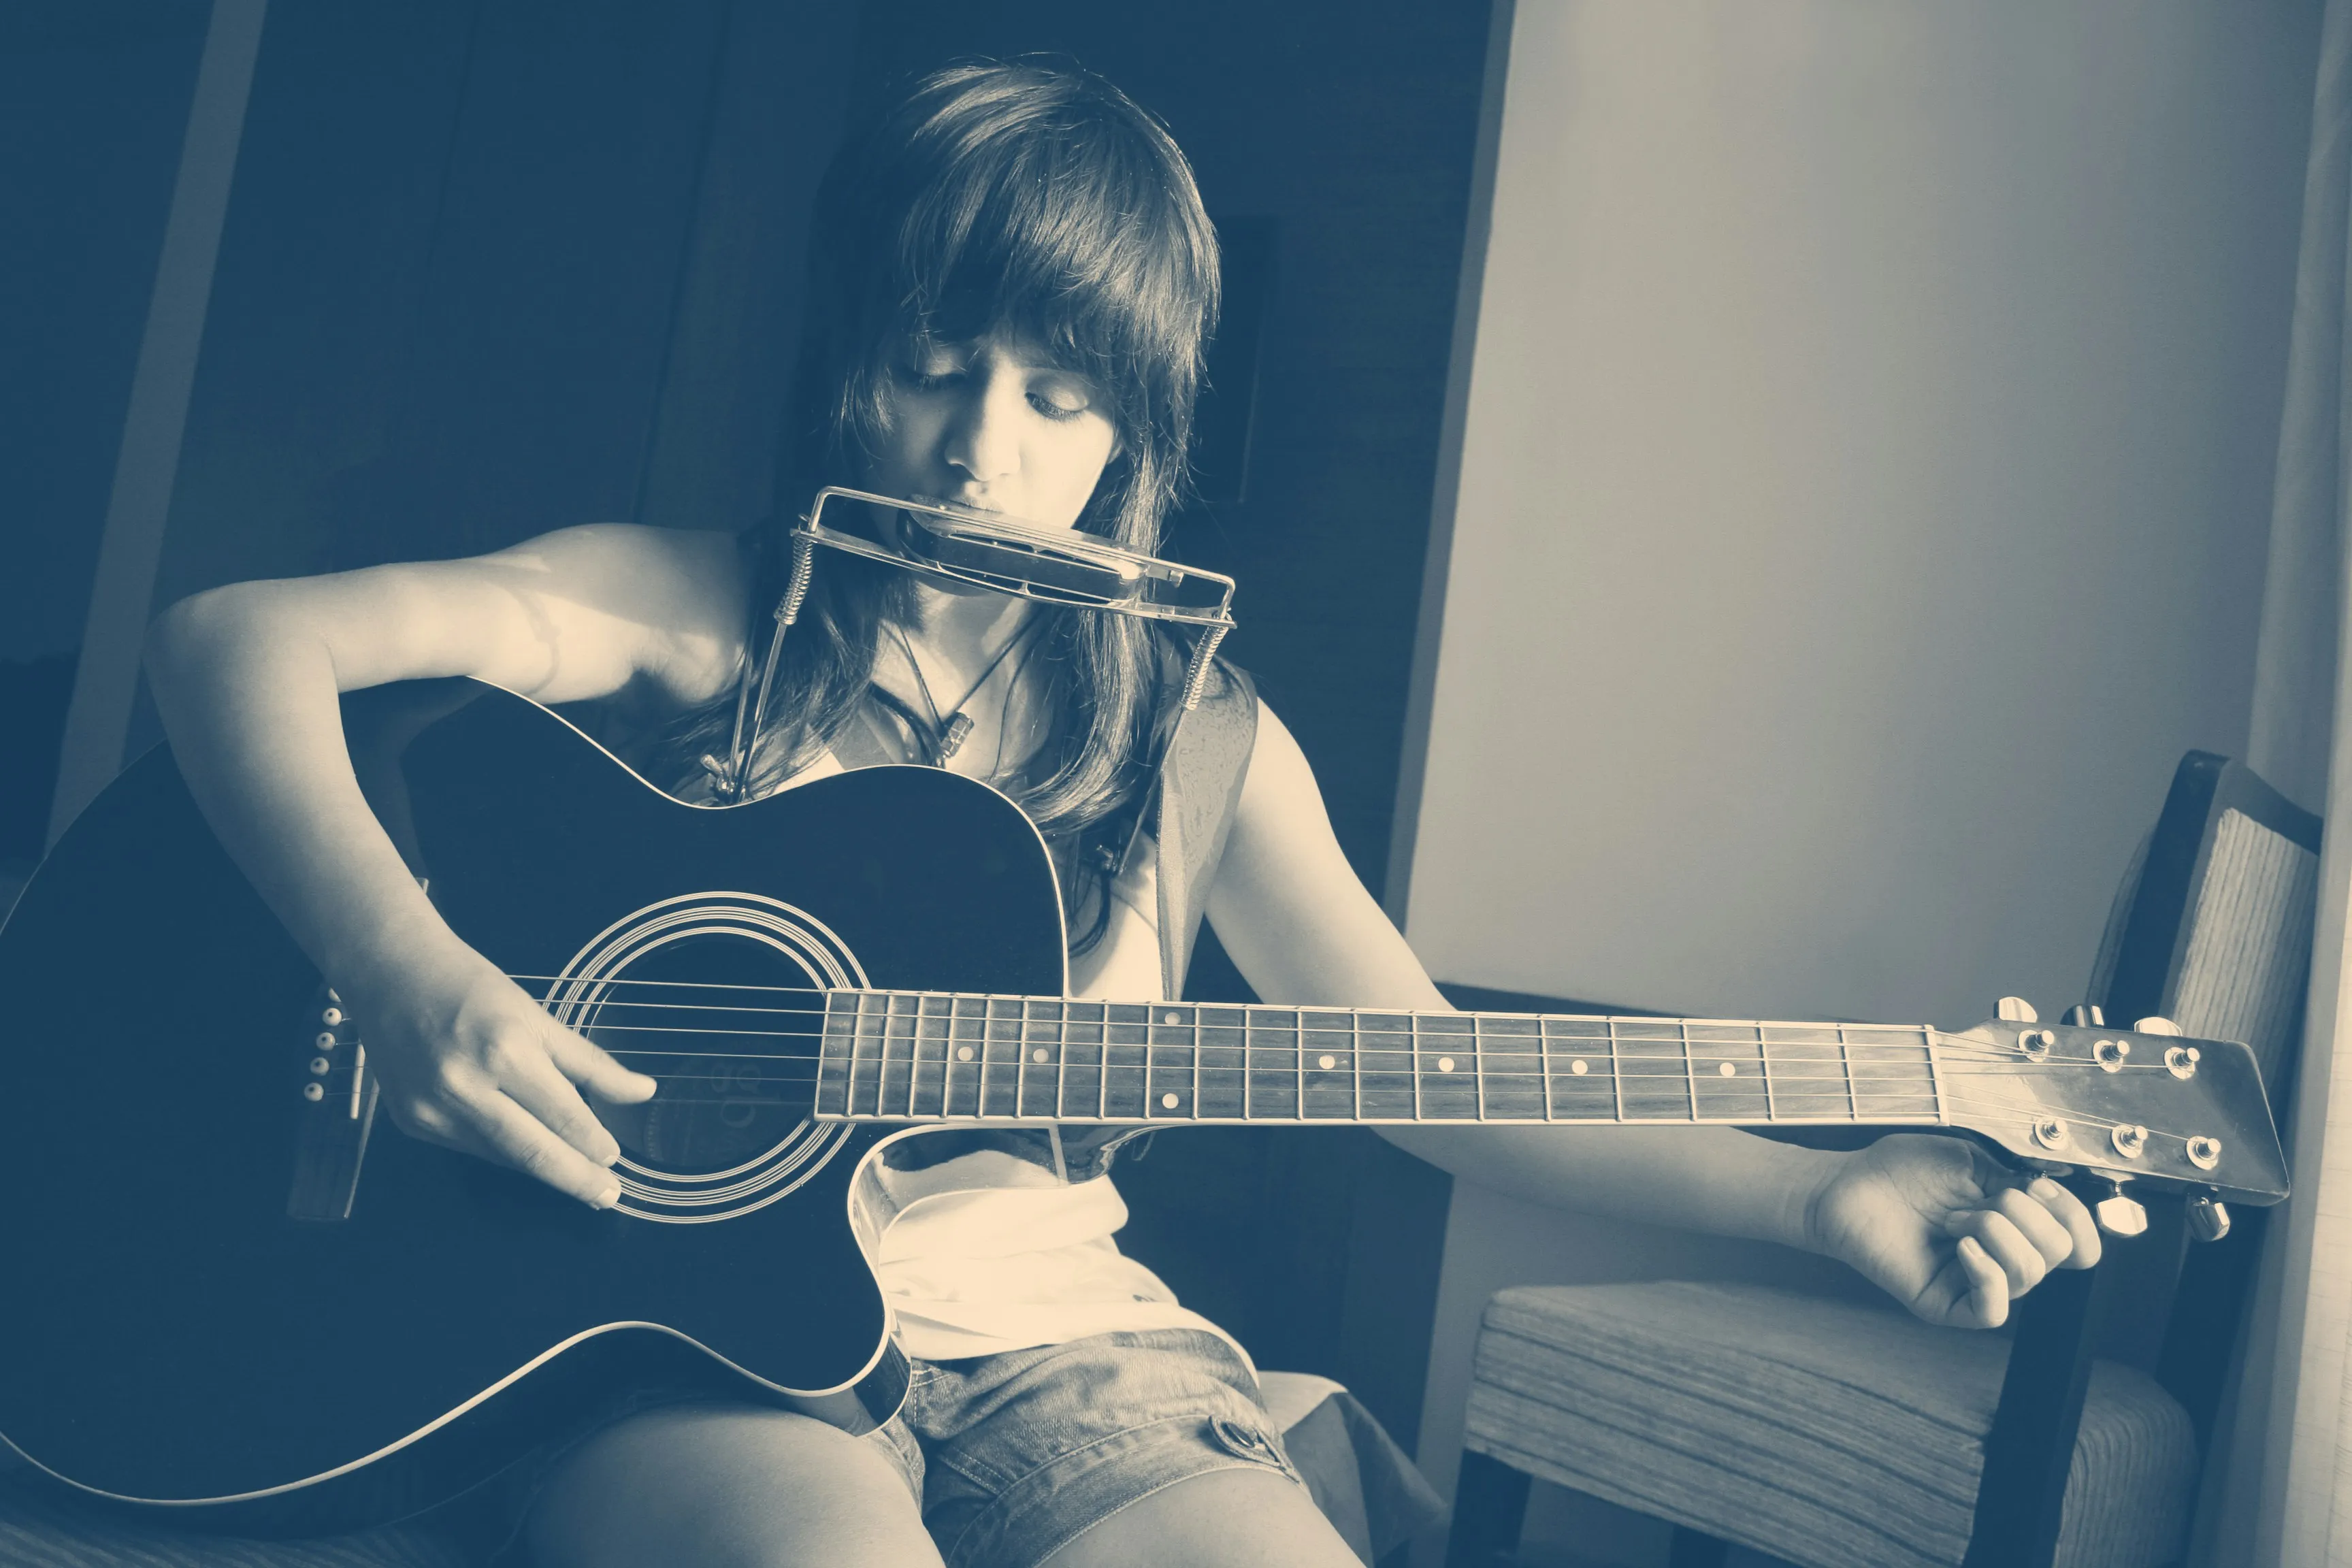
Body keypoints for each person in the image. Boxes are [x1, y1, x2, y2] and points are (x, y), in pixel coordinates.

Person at [144, 58, 2100, 1568]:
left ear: (1135, 441)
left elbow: (1428, 1072)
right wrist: (401, 969)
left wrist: (1821, 1192)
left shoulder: (1194, 739)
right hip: (684, 1348)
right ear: (851, 367)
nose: (978, 451)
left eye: (1058, 401)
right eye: (934, 367)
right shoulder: (692, 607)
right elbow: (239, 640)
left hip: (1067, 1354)